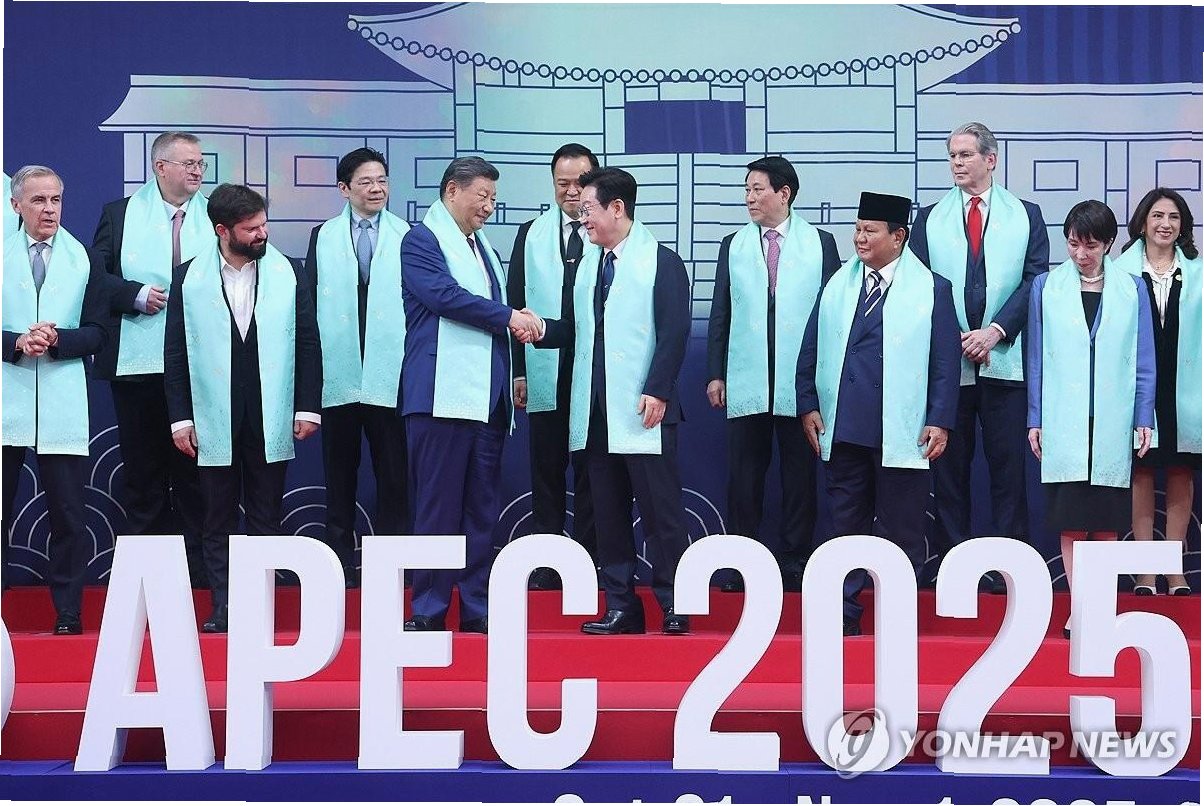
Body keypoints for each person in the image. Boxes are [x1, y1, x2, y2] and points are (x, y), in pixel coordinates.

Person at [537, 167, 693, 635]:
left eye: (588, 209)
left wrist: (658, 388)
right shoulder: (588, 265)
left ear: (617, 208)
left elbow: (675, 331)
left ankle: (675, 604)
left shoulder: (661, 261)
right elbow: (576, 329)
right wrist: (539, 329)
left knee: (662, 515)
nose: (582, 218)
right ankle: (622, 606)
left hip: (646, 410)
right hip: (596, 411)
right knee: (607, 515)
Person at [797, 192, 960, 636]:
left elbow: (945, 363)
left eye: (870, 231)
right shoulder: (837, 285)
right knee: (844, 526)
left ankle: (897, 613)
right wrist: (808, 403)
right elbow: (811, 347)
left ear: (898, 236)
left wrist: (940, 419)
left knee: (902, 528)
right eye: (857, 229)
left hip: (903, 430)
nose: (860, 238)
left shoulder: (933, 289)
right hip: (845, 425)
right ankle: (842, 611)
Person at [164, 183, 322, 633]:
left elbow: (308, 343)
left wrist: (307, 406)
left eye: (263, 225)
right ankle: (224, 607)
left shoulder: (289, 271)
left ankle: (259, 608)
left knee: (266, 516)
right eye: (251, 229)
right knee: (215, 516)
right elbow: (175, 351)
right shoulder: (188, 277)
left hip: (270, 412)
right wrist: (180, 417)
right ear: (222, 230)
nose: (262, 234)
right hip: (212, 415)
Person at [400, 157, 539, 634]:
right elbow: (443, 296)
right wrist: (509, 317)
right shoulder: (421, 240)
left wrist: (515, 321)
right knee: (437, 507)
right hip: (440, 395)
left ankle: (477, 605)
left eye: (494, 199)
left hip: (487, 399)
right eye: (482, 196)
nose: (488, 207)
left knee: (482, 509)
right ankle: (429, 606)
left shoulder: (483, 248)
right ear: (452, 191)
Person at [910, 123, 1050, 592]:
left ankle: (1012, 570)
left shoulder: (1026, 215)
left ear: (991, 160)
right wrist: (952, 338)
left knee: (1008, 471)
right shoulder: (929, 218)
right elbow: (919, 286)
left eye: (966, 154)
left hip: (1004, 362)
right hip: (950, 366)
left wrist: (994, 332)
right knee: (949, 472)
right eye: (952, 155)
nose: (957, 163)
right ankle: (954, 568)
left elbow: (1034, 282)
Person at [706, 156, 841, 593]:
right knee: (744, 479)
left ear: (784, 193)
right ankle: (741, 563)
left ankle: (795, 561)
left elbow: (833, 314)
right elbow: (720, 313)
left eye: (757, 189)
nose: (749, 198)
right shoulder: (733, 244)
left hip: (801, 383)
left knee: (799, 479)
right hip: (746, 380)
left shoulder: (820, 243)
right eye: (746, 190)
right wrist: (715, 373)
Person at [1026, 200, 1156, 635]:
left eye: (1091, 245)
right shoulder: (1046, 286)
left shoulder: (1132, 289)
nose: (1081, 254)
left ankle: (1099, 607)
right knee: (1071, 522)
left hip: (1112, 421)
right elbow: (1037, 358)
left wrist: (1143, 415)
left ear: (1109, 244)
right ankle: (1081, 609)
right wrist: (1035, 418)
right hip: (1064, 419)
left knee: (1105, 522)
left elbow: (1143, 360)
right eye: (1073, 244)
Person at [91, 131, 212, 588]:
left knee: (197, 475)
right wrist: (134, 294)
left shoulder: (216, 215)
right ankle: (148, 578)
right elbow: (94, 276)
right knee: (143, 474)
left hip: (201, 367)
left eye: (200, 163)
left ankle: (201, 575)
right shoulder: (119, 214)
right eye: (188, 163)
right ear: (160, 167)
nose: (197, 171)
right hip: (138, 367)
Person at [2, 165, 109, 634]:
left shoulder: (84, 258)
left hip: (62, 400)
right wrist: (16, 343)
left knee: (68, 514)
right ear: (16, 205)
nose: (49, 209)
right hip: (7, 395)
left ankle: (68, 613)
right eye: (39, 200)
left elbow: (99, 332)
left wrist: (57, 339)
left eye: (56, 200)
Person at [303, 147, 410, 588]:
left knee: (395, 476)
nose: (376, 189)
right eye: (366, 182)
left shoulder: (408, 235)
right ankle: (338, 567)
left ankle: (394, 566)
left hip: (391, 374)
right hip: (339, 374)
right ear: (344, 188)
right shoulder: (323, 236)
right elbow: (310, 302)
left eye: (382, 180)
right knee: (339, 475)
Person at [506, 143, 599, 590]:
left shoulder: (608, 232)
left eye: (580, 182)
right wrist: (519, 371)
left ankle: (590, 559)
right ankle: (548, 563)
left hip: (593, 372)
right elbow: (513, 303)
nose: (571, 191)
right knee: (545, 469)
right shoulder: (531, 233)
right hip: (543, 369)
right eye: (563, 183)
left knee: (592, 470)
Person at [1113, 189, 1199, 596]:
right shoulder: (1120, 271)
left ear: (1183, 226)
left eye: (1174, 217)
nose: (1166, 224)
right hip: (1138, 384)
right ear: (1143, 222)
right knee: (1142, 471)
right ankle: (1146, 572)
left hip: (1187, 387)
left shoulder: (1198, 272)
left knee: (1181, 471)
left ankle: (1174, 569)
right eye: (1158, 215)